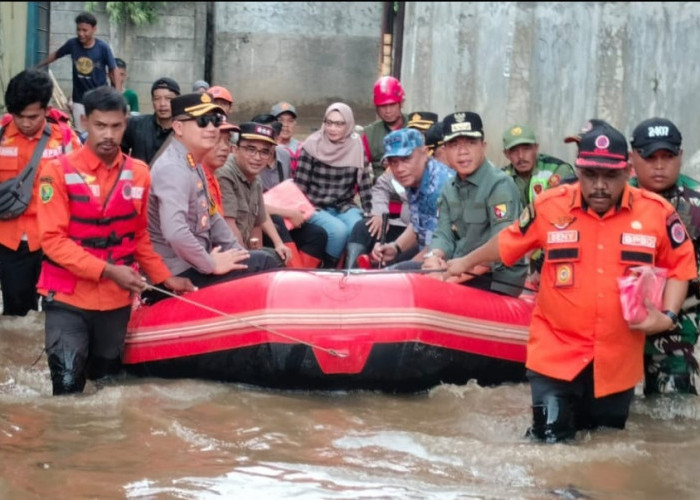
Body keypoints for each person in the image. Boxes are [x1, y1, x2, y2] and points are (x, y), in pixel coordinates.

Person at [443, 120, 697, 442]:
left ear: (627, 171)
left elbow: (680, 265)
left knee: (604, 448)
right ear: (578, 170)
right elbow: (509, 241)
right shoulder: (551, 206)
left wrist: (669, 316)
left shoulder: (656, 213)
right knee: (551, 447)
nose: (600, 186)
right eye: (591, 175)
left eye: (610, 176)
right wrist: (464, 262)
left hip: (616, 364)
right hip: (555, 356)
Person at [35, 86, 195, 395]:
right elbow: (53, 241)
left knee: (107, 384)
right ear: (84, 122)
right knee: (67, 387)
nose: (108, 134)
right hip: (67, 298)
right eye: (100, 126)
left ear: (126, 124)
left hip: (116, 301)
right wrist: (109, 270)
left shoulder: (139, 174)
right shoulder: (56, 172)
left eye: (116, 126)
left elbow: (139, 237)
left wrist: (165, 279)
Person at [148, 92, 280, 289]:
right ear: (178, 127)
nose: (212, 128)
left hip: (196, 260)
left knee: (259, 258)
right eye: (202, 121)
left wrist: (238, 253)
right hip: (178, 270)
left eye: (215, 120)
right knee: (264, 263)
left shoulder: (193, 162)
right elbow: (175, 232)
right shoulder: (173, 168)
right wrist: (210, 264)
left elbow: (211, 216)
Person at [0, 69, 82, 316]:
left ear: (46, 110)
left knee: (58, 310)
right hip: (12, 242)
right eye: (19, 116)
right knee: (16, 311)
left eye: (33, 116)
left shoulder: (65, 139)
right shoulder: (2, 136)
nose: (25, 123)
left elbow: (82, 185)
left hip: (55, 240)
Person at [629, 117, 700, 395]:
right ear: (634, 157)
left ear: (680, 156)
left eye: (667, 156)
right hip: (621, 318)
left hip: (680, 320)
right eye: (650, 157)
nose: (659, 166)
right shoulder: (615, 196)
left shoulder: (695, 206)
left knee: (673, 411)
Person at [422, 111, 527, 297]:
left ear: (483, 146)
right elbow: (443, 234)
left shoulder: (499, 185)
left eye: (471, 143)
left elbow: (502, 247)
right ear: (445, 151)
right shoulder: (449, 187)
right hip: (460, 269)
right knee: (403, 271)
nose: (463, 152)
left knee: (432, 295)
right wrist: (434, 257)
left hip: (497, 279)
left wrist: (448, 277)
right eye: (454, 145)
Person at [295, 102, 373, 268]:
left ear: (349, 125)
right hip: (314, 206)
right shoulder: (311, 145)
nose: (333, 128)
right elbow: (299, 187)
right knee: (339, 231)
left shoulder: (356, 145)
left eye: (339, 124)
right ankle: (329, 268)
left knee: (358, 228)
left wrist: (370, 212)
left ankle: (350, 270)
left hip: (344, 206)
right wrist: (302, 210)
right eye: (329, 122)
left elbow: (365, 182)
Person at [369, 128, 454, 269]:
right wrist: (395, 247)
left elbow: (436, 247)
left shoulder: (439, 187)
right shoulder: (415, 177)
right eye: (393, 162)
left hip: (452, 264)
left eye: (407, 159)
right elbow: (418, 225)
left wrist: (396, 271)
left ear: (425, 153)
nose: (399, 168)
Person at [216, 122, 293, 264]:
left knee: (279, 256)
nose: (257, 158)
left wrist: (276, 245)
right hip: (223, 253)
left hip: (243, 246)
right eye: (251, 149)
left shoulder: (255, 176)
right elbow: (229, 226)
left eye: (264, 152)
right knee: (268, 261)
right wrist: (251, 260)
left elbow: (258, 221)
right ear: (235, 149)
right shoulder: (225, 174)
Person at [36, 11, 116, 133]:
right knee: (81, 133)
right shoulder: (72, 44)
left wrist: (116, 93)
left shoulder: (103, 48)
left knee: (98, 131)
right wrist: (39, 65)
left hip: (100, 99)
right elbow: (57, 54)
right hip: (79, 99)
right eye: (78, 30)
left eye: (85, 30)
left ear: (94, 29)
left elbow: (113, 70)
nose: (81, 33)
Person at [501, 124, 575, 205]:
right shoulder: (501, 179)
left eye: (526, 149)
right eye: (514, 151)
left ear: (536, 148)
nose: (521, 156)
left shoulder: (556, 169)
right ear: (506, 154)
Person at [121, 77, 180, 165]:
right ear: (152, 101)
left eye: (168, 99)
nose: (162, 104)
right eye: (157, 98)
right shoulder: (135, 125)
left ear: (178, 100)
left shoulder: (185, 131)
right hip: (141, 177)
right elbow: (119, 153)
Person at [363, 76, 409, 182]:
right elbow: (359, 170)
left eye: (392, 104)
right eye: (382, 106)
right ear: (376, 107)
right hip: (383, 194)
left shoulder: (415, 126)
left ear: (401, 103)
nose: (388, 111)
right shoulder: (370, 134)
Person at [202, 121, 240, 215]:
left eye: (227, 140)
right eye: (216, 140)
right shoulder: (195, 177)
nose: (225, 147)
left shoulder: (213, 175)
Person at [271, 101, 301, 171]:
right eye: (280, 120)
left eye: (290, 121)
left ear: (295, 124)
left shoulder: (302, 149)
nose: (285, 125)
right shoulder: (265, 148)